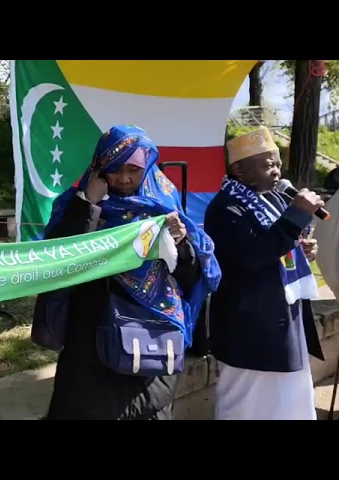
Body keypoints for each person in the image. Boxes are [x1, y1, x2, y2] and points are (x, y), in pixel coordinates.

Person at [36, 125, 221, 420]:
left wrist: (181, 243)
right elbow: (57, 258)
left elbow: (190, 278)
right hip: (90, 346)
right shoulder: (76, 202)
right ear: (99, 168)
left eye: (134, 169)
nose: (124, 178)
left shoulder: (164, 204)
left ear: (147, 166)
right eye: (114, 169)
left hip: (150, 348)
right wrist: (87, 204)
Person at [204, 126, 325, 420]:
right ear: (239, 170)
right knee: (247, 408)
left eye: (277, 163)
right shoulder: (224, 208)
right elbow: (251, 257)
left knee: (291, 406)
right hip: (248, 330)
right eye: (267, 164)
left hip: (284, 324)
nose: (276, 170)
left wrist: (304, 251)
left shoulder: (277, 199)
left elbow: (280, 246)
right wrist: (295, 216)